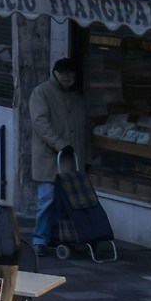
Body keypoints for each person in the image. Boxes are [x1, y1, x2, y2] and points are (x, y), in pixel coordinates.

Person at [28, 57, 92, 251]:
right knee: (47, 199)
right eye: (63, 73)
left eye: (71, 73)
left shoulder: (77, 98)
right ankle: (40, 239)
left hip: (71, 160)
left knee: (64, 202)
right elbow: (40, 123)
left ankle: (57, 236)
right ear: (55, 73)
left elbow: (84, 130)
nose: (67, 77)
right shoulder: (41, 93)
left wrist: (86, 157)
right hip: (50, 158)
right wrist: (60, 144)